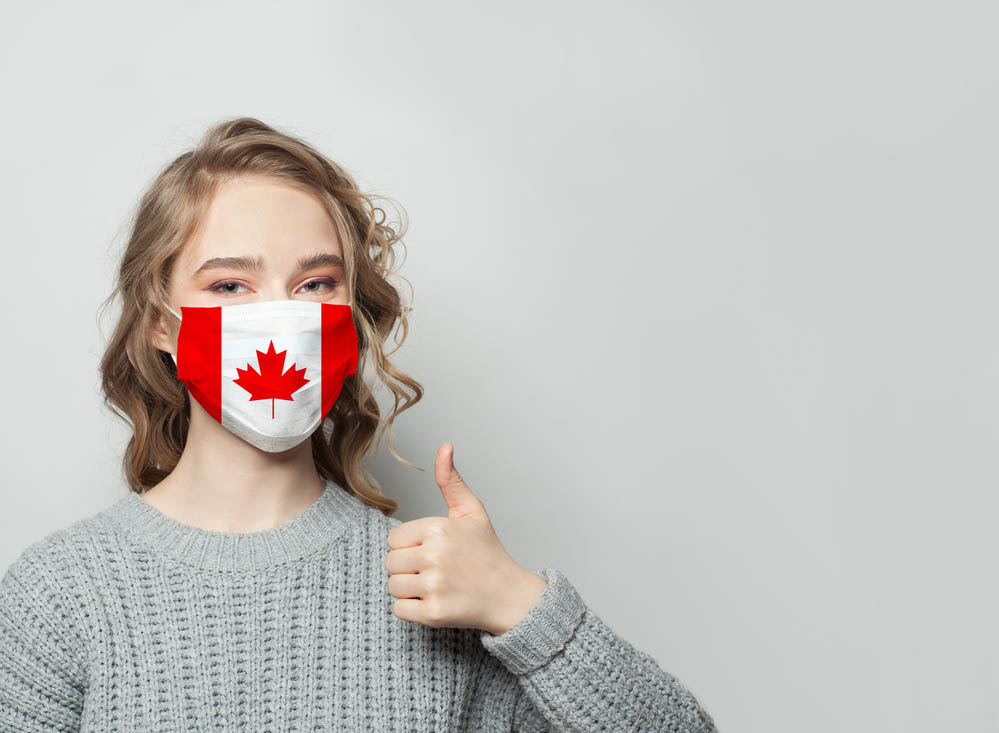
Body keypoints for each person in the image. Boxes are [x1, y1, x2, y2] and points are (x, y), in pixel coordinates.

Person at [0, 117, 718, 732]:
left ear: (349, 316)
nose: (282, 315)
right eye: (229, 285)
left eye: (316, 283)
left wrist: (518, 605)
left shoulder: (434, 585)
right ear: (162, 322)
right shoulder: (62, 592)